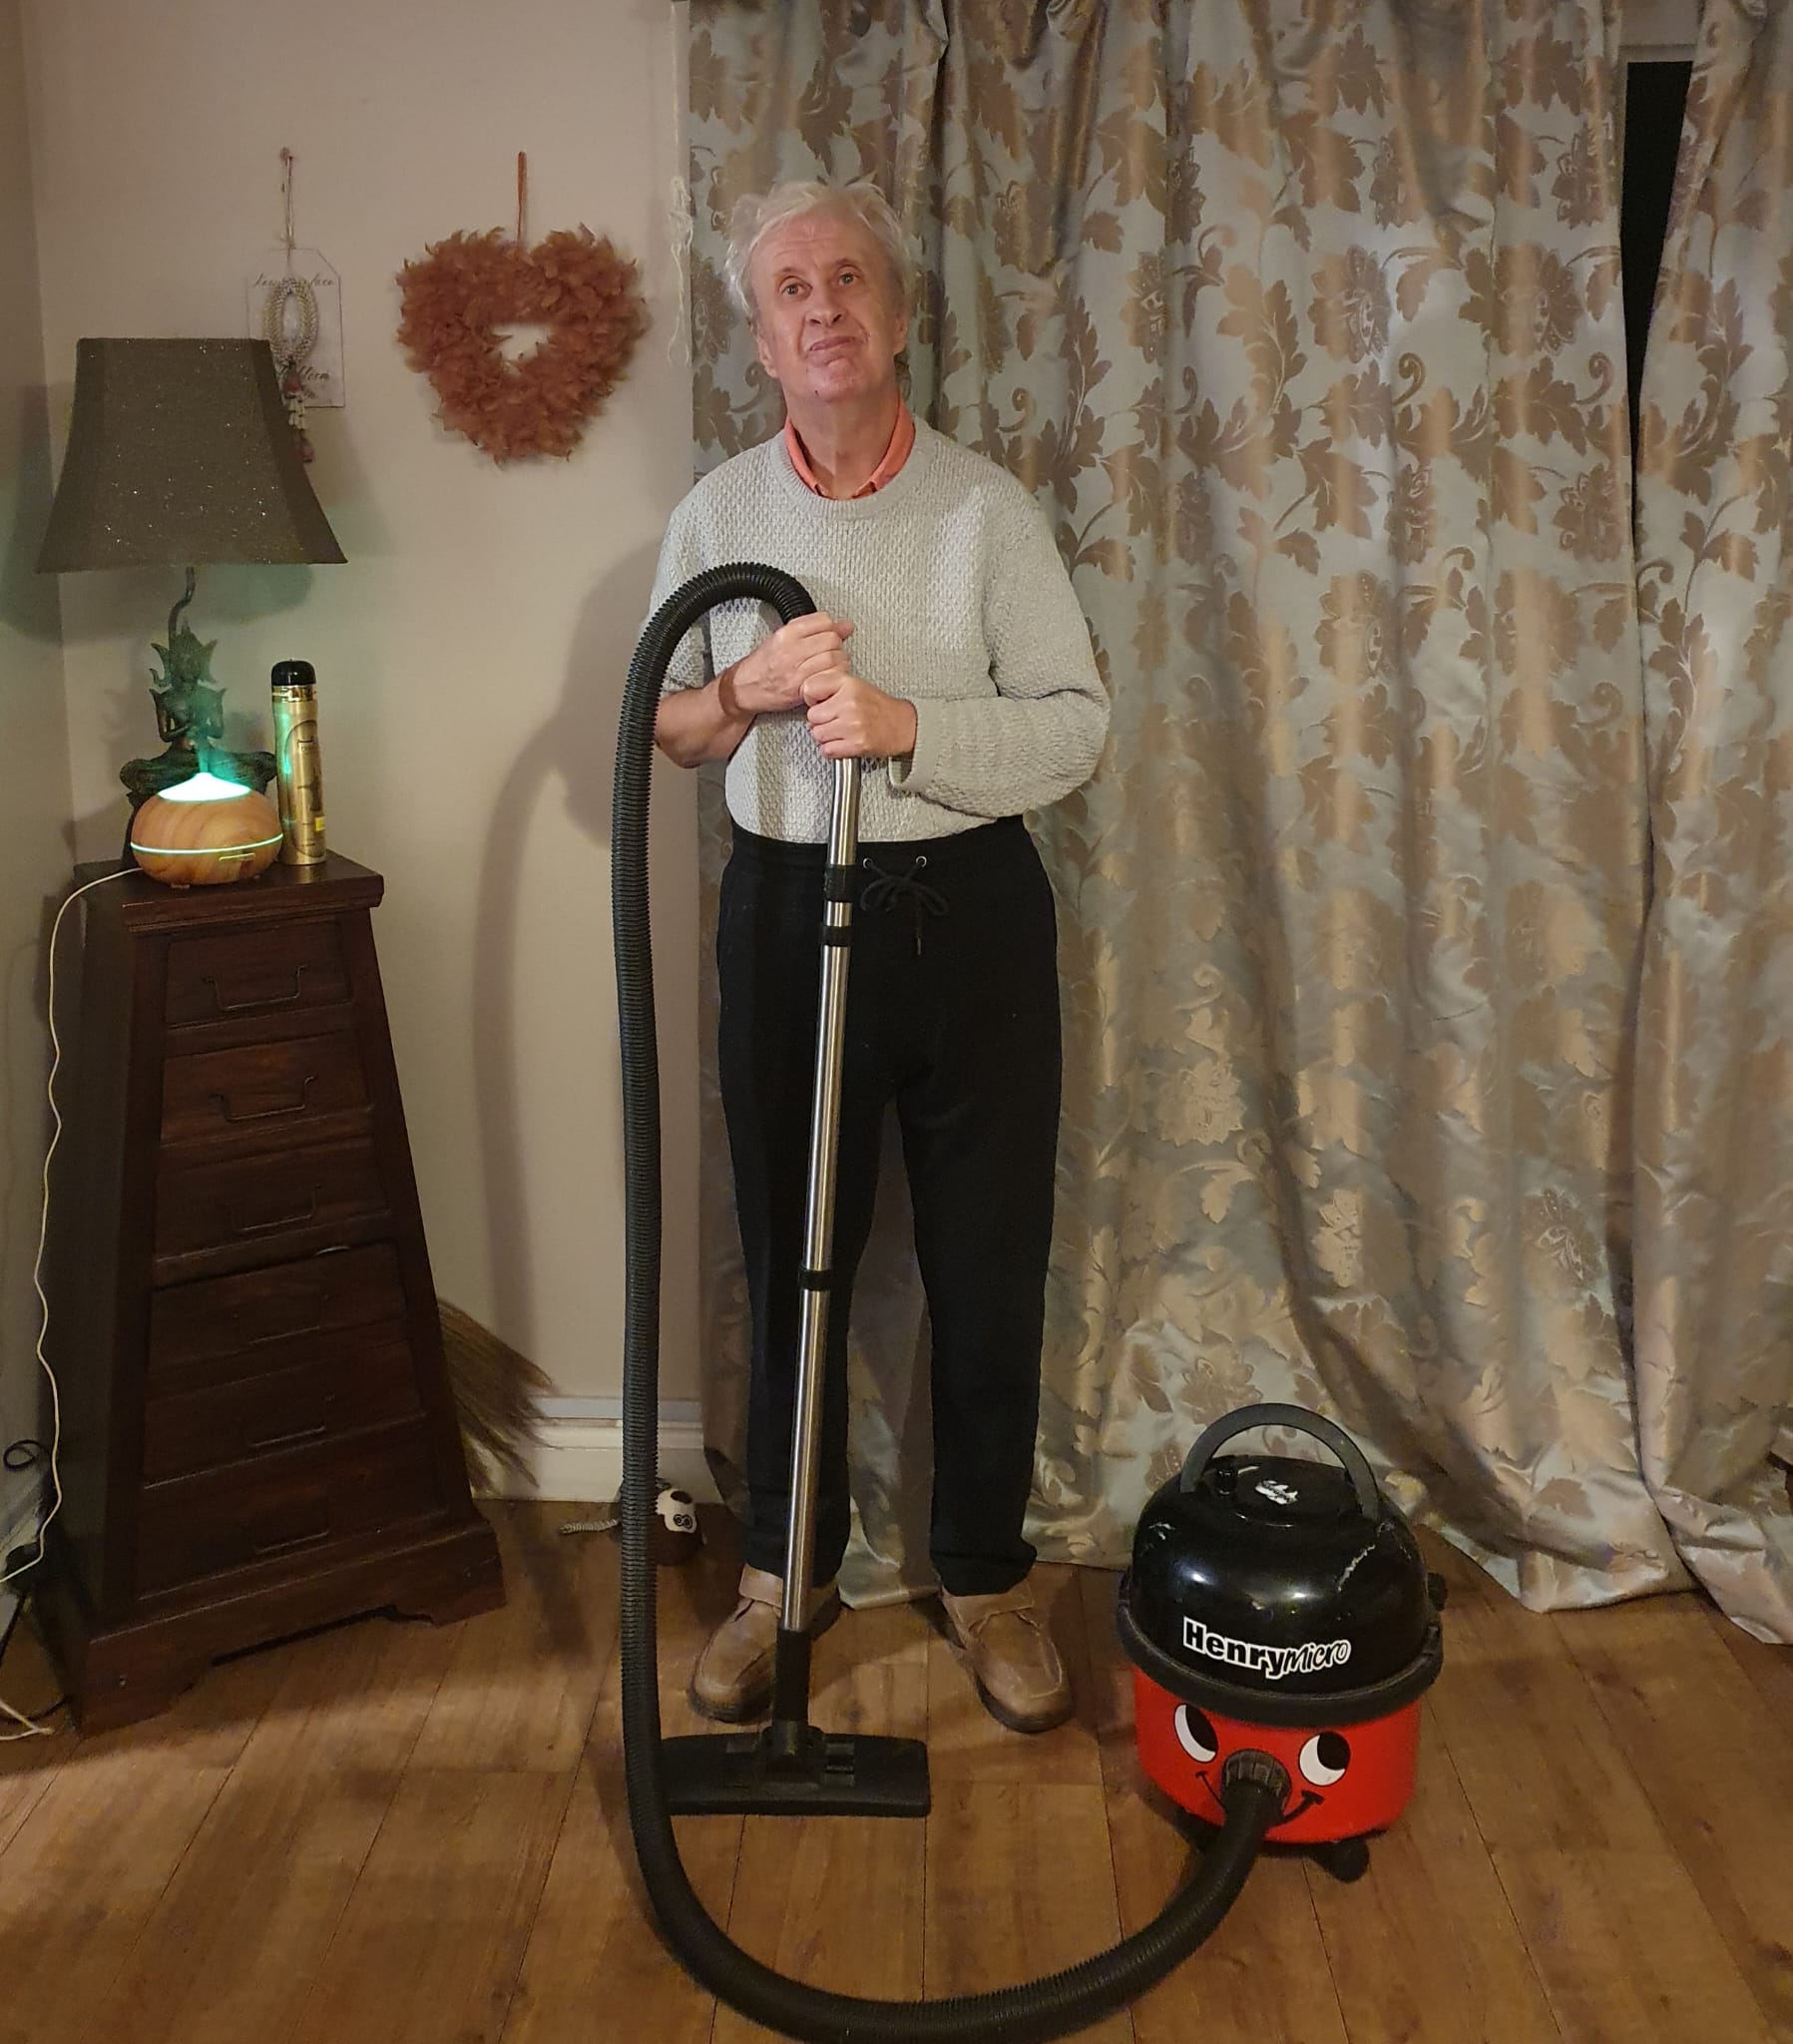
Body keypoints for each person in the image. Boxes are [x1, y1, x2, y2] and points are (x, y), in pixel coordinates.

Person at [650, 179, 1108, 1735]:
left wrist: (907, 726)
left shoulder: (987, 509)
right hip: (786, 913)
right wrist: (752, 692)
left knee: (983, 1265)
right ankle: (786, 1574)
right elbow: (669, 725)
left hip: (966, 914)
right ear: (761, 338)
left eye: (848, 281)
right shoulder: (717, 516)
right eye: (789, 290)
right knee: (793, 1254)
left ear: (899, 320)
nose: (821, 308)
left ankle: (982, 1575)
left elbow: (1073, 724)